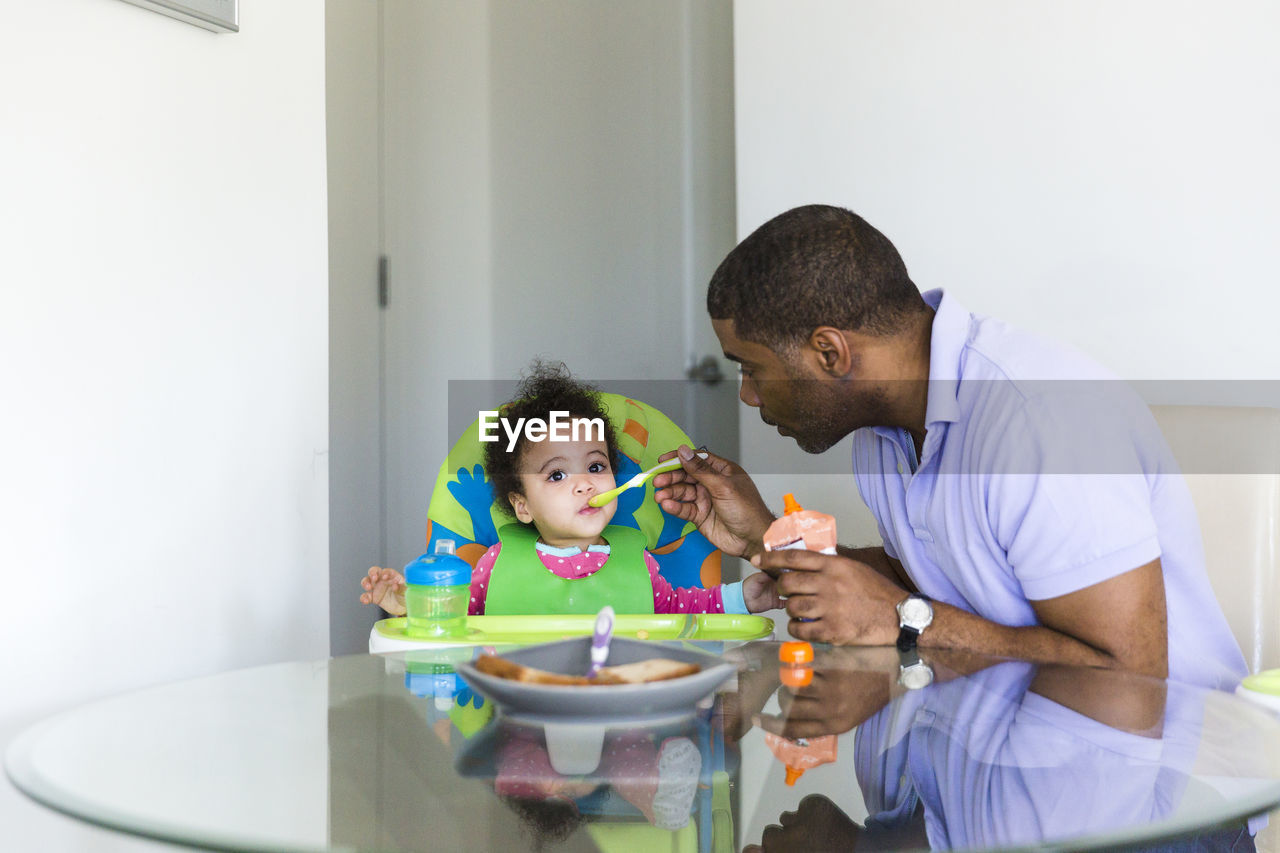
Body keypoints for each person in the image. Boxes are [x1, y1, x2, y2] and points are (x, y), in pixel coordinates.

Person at [654, 204, 1245, 689]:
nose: (749, 396)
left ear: (830, 353)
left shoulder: (1040, 422)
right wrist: (763, 537)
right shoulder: (883, 428)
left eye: (752, 369)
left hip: (1150, 810)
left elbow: (1129, 674)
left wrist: (901, 622)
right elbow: (939, 581)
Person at [361, 362, 778, 616]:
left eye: (596, 466)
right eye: (557, 475)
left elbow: (684, 610)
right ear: (521, 505)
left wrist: (745, 596)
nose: (584, 483)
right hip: (524, 725)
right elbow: (453, 621)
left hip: (624, 725)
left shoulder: (641, 562)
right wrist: (406, 606)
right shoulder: (495, 564)